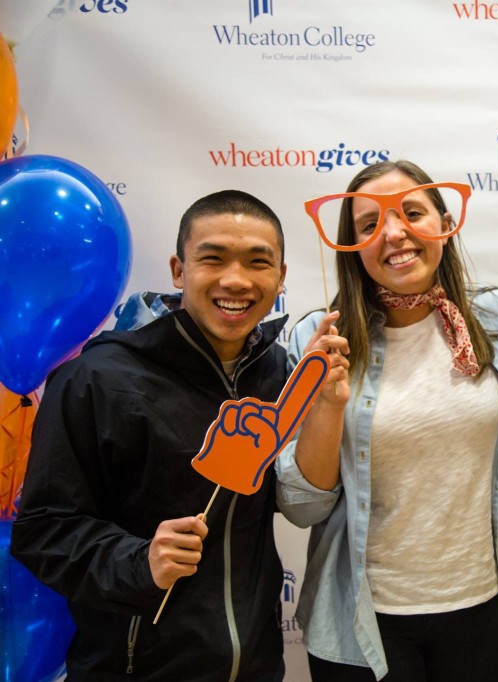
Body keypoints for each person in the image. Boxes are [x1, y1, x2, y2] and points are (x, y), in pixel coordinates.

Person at [11, 190, 298, 680]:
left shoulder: (279, 375)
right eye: (213, 259)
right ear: (178, 271)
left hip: (258, 666)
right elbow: (43, 530)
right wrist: (139, 561)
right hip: (133, 668)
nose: (236, 280)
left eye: (258, 262)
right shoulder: (95, 379)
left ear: (280, 276)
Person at [274, 159, 498, 682]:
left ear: (444, 223)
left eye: (412, 213)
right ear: (352, 246)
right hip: (361, 622)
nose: (393, 233)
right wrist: (328, 403)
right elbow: (302, 507)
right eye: (369, 224)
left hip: (485, 608)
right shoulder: (318, 340)